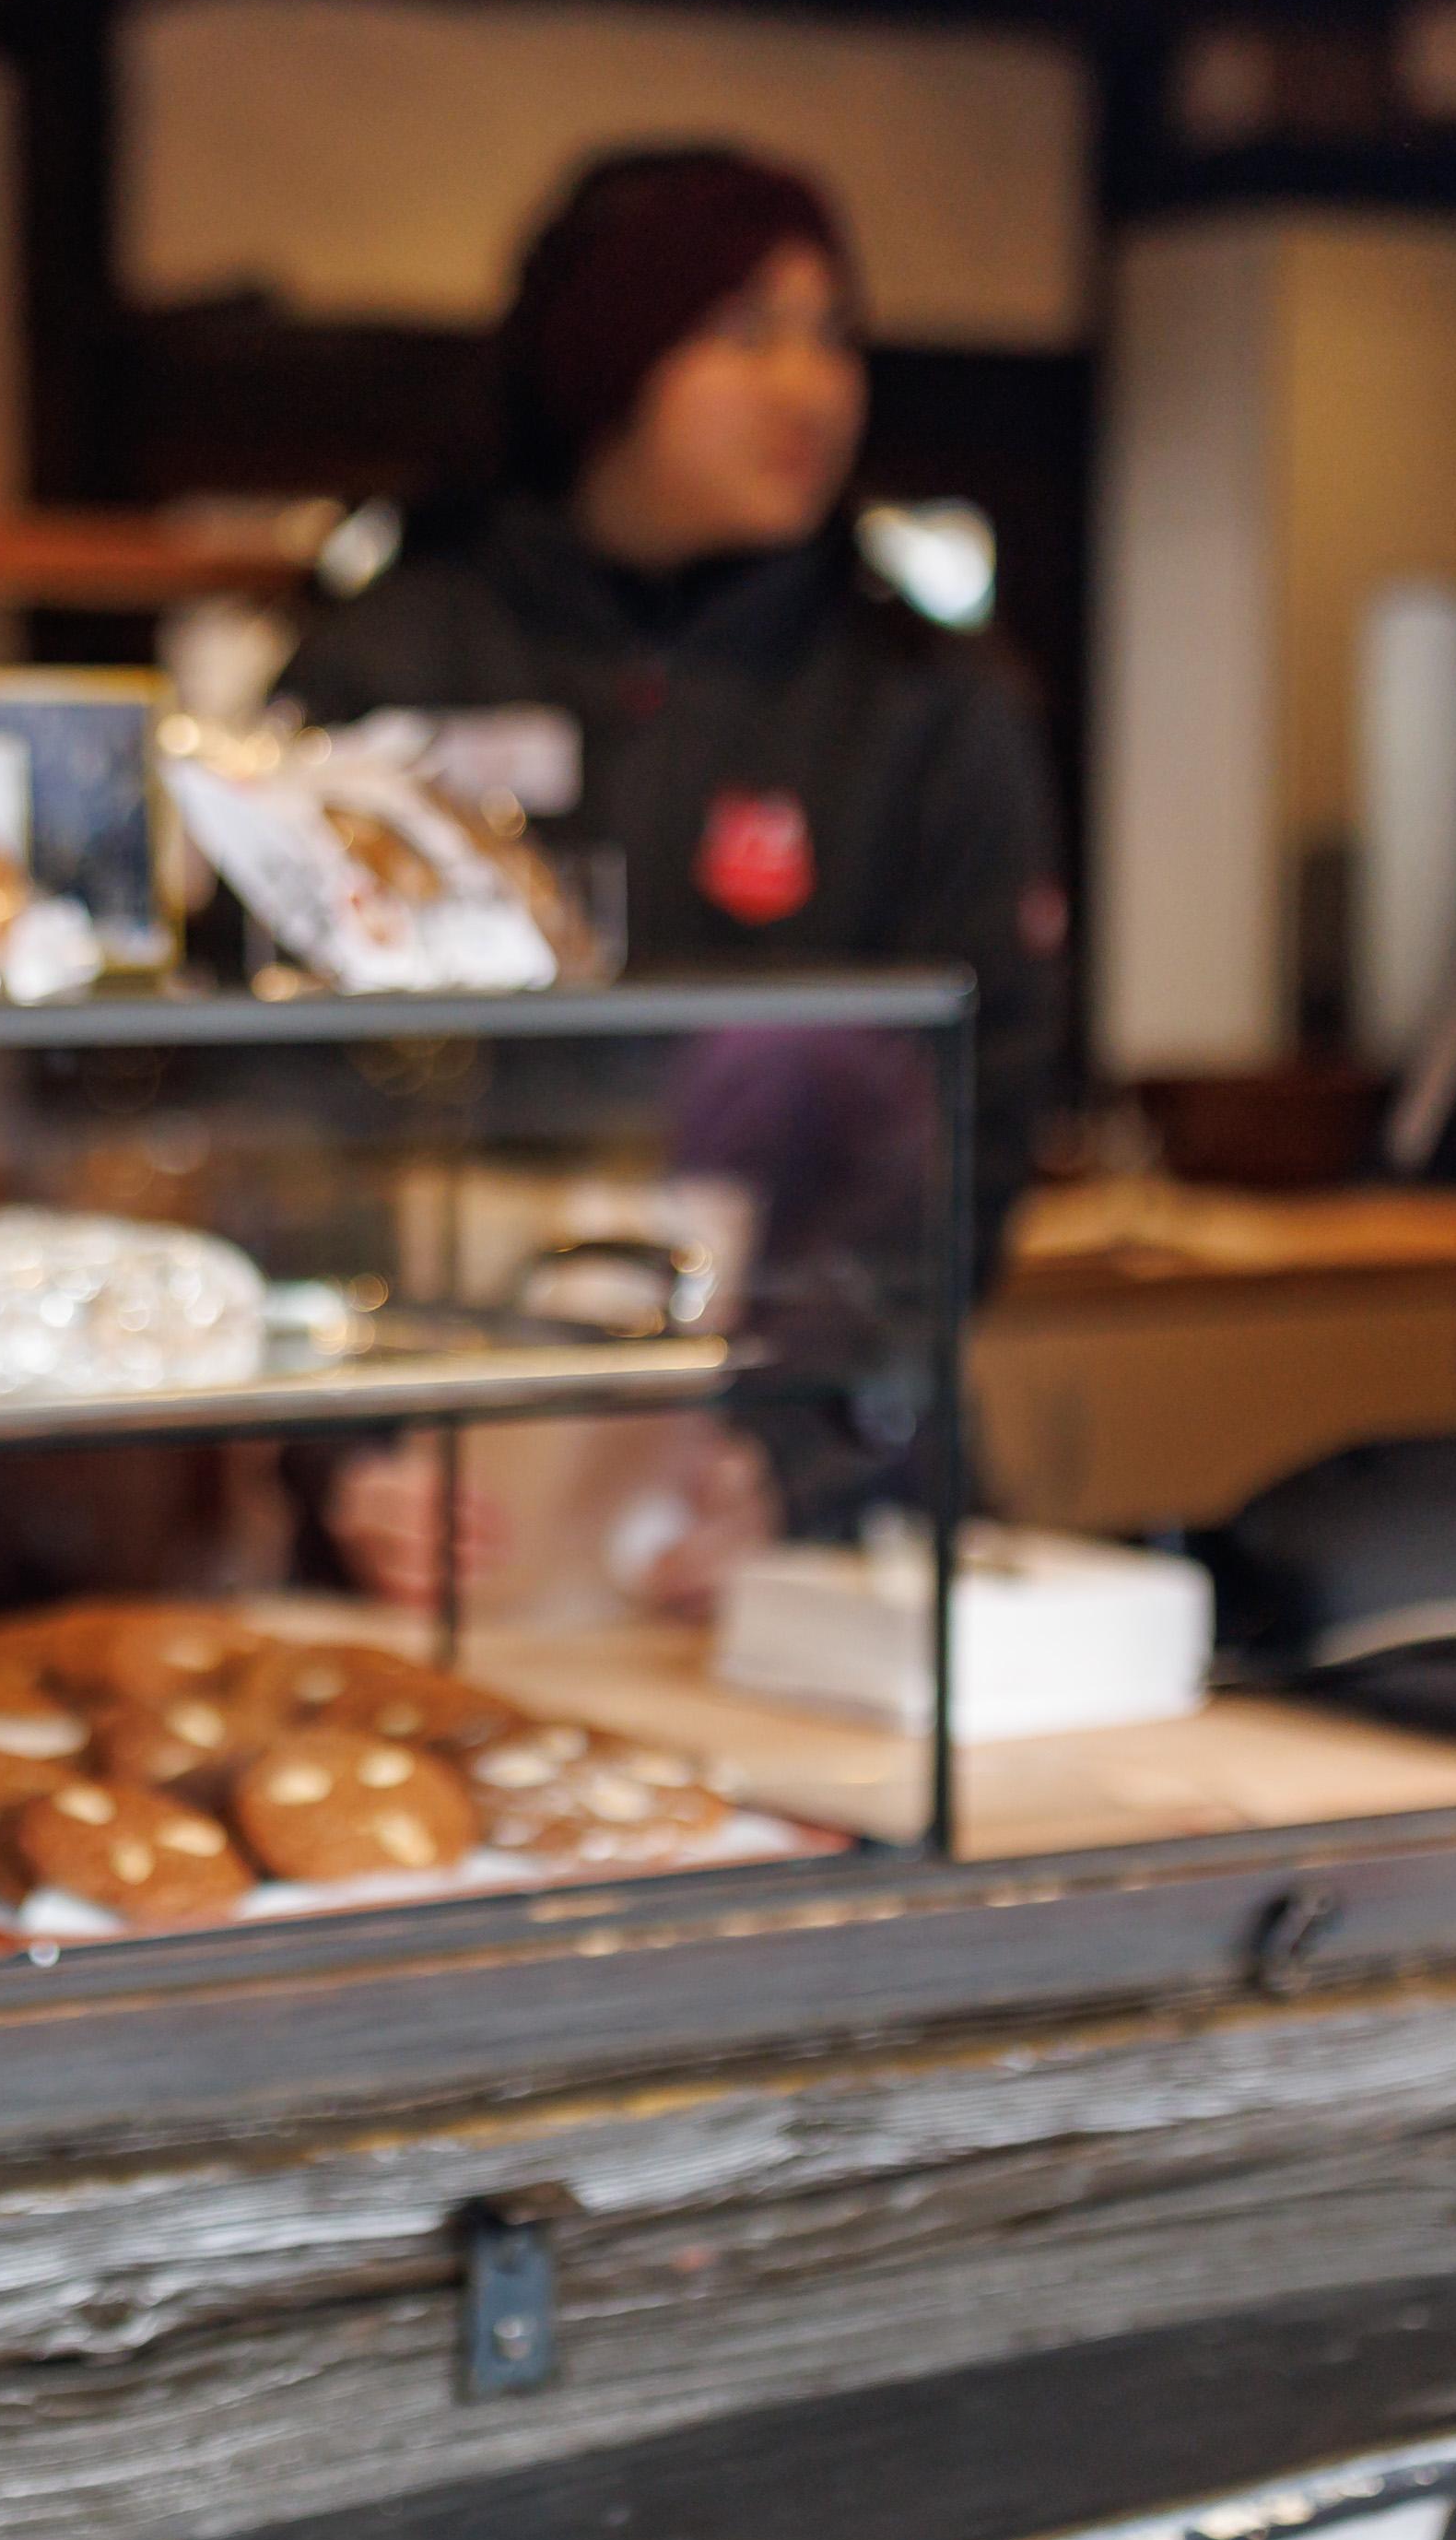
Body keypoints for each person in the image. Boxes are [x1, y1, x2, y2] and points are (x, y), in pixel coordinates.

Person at [284, 144, 1068, 1605]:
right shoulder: (387, 661)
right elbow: (275, 1110)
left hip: (804, 1513)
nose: (809, 387)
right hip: (449, 1492)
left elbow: (975, 1136)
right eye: (743, 330)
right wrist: (343, 1443)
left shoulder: (921, 697)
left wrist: (802, 1455)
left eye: (833, 336)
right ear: (605, 354)